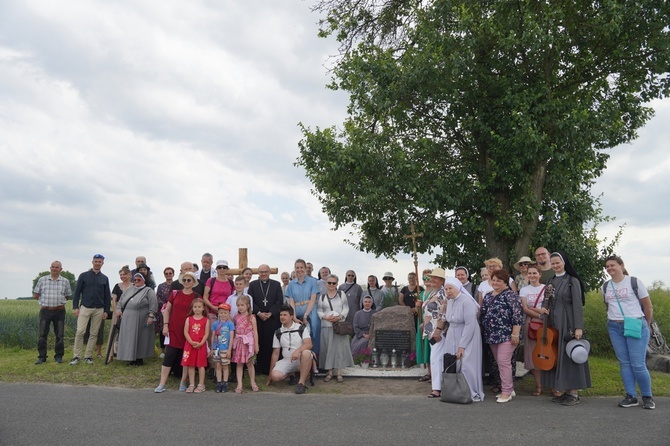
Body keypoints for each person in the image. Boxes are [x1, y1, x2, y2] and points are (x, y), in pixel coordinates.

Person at [602, 254, 655, 409]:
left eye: (613, 265)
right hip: (614, 326)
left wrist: (645, 323)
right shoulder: (605, 286)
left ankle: (647, 396)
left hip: (635, 324)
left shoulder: (634, 282)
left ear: (621, 265)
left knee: (638, 364)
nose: (610, 268)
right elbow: (607, 305)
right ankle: (631, 396)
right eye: (607, 266)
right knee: (624, 363)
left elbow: (647, 306)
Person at [542, 251, 591, 406]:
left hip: (568, 322)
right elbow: (547, 301)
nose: (555, 265)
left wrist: (578, 327)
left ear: (564, 263)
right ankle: (564, 390)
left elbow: (577, 305)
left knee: (570, 356)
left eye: (558, 262)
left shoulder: (572, 280)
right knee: (557, 356)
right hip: (554, 323)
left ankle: (574, 393)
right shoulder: (550, 280)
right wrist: (544, 309)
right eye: (553, 263)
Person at [479, 269, 523, 403]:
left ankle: (507, 391)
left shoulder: (510, 295)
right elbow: (483, 314)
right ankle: (509, 388)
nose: (496, 282)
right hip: (492, 335)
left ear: (505, 282)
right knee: (500, 363)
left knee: (503, 362)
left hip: (507, 335)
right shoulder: (488, 296)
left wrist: (515, 334)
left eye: (499, 280)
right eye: (494, 280)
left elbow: (517, 316)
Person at [155, 271, 200, 393]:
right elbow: (167, 310)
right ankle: (162, 383)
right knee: (168, 356)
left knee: (186, 358)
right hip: (173, 330)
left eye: (189, 280)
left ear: (193, 282)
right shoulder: (175, 294)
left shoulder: (196, 297)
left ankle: (183, 381)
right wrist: (165, 325)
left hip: (188, 332)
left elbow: (199, 314)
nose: (186, 282)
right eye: (184, 280)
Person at [443, 277, 484, 402]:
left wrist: (462, 345)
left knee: (466, 364)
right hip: (452, 333)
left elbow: (470, 324)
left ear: (458, 288)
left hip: (468, 334)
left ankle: (470, 391)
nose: (448, 291)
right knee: (453, 362)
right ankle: (454, 391)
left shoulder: (467, 301)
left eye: (450, 288)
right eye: (446, 289)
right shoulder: (449, 301)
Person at [70, 254, 111, 365]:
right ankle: (76, 356)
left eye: (100, 261)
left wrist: (106, 311)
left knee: (94, 333)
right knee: (80, 331)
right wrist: (75, 307)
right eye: (96, 261)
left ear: (103, 263)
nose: (97, 263)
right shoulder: (84, 276)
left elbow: (107, 296)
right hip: (85, 307)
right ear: (92, 262)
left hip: (99, 309)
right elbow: (77, 292)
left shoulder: (104, 278)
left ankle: (88, 356)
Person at [266, 305, 314, 394]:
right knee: (275, 376)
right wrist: (270, 375)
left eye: (285, 315)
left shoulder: (301, 328)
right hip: (288, 360)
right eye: (281, 315)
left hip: (301, 358)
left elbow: (309, 344)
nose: (282, 317)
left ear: (291, 316)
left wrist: (297, 351)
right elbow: (275, 353)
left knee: (306, 353)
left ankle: (301, 383)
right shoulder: (278, 332)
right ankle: (292, 374)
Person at [33, 260, 72, 364]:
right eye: (52, 267)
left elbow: (68, 295)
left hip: (59, 311)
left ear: (61, 269)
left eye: (56, 267)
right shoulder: (42, 280)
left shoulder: (65, 281)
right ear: (50, 268)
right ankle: (42, 357)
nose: (54, 269)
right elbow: (36, 294)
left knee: (59, 335)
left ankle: (58, 356)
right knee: (42, 334)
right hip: (45, 311)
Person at [317, 274, 354, 383]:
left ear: (337, 284)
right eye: (329, 283)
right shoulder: (322, 297)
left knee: (339, 350)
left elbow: (346, 308)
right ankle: (329, 373)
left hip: (339, 326)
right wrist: (326, 317)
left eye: (334, 283)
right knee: (328, 349)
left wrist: (339, 317)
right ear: (326, 283)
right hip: (326, 325)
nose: (331, 285)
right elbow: (319, 310)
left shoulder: (341, 294)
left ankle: (339, 373)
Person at [248, 264, 283, 375]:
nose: (263, 274)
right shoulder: (253, 285)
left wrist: (271, 313)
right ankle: (258, 368)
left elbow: (279, 301)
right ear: (258, 273)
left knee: (271, 342)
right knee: (259, 342)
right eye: (261, 272)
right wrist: (258, 313)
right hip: (258, 318)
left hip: (272, 319)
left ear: (269, 272)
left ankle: (270, 367)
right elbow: (250, 301)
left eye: (265, 272)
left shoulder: (276, 284)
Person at [116, 273, 157, 366]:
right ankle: (128, 356)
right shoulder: (129, 290)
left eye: (139, 279)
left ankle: (139, 358)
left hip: (141, 317)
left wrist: (151, 316)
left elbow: (153, 305)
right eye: (135, 280)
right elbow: (120, 302)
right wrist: (118, 310)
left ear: (143, 280)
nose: (136, 281)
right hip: (127, 318)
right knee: (128, 338)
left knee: (140, 338)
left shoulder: (148, 291)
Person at [519, 264, 548, 396]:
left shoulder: (546, 289)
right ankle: (538, 385)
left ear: (539, 274)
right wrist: (539, 314)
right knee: (534, 355)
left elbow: (550, 307)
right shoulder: (524, 290)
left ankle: (552, 386)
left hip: (547, 325)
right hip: (531, 324)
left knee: (548, 353)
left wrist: (537, 312)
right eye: (529, 273)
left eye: (534, 273)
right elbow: (525, 308)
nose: (532, 275)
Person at [286, 258, 320, 355]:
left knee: (315, 326)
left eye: (301, 267)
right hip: (296, 309)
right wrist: (294, 316)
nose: (299, 269)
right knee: (294, 329)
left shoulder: (312, 282)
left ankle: (315, 356)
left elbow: (313, 299)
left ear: (305, 268)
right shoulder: (291, 284)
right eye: (297, 267)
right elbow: (291, 301)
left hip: (310, 308)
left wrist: (306, 315)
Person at [425, 268, 448, 398]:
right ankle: (438, 386)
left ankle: (437, 388)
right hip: (430, 330)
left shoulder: (442, 293)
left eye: (436, 278)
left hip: (438, 332)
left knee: (435, 359)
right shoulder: (433, 292)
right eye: (432, 277)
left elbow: (443, 314)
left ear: (442, 280)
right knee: (435, 359)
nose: (432, 280)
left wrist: (438, 330)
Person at [181, 298, 210, 393]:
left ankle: (201, 384)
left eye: (199, 307)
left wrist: (201, 343)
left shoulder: (206, 320)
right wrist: (190, 341)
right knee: (191, 365)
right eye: (195, 307)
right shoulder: (188, 319)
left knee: (201, 365)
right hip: (190, 345)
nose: (197, 309)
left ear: (203, 308)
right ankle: (192, 384)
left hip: (201, 345)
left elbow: (206, 333)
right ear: (192, 308)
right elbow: (185, 331)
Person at [231, 295, 259, 393]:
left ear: (247, 305)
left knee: (250, 363)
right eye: (238, 305)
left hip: (249, 343)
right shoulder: (235, 317)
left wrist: (256, 345)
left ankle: (253, 382)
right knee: (239, 364)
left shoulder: (252, 317)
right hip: (239, 343)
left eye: (242, 305)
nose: (240, 307)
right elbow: (234, 331)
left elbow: (255, 332)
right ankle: (239, 384)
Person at [210, 303, 235, 393]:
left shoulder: (230, 324)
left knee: (225, 366)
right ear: (218, 313)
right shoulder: (216, 324)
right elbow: (212, 336)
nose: (223, 315)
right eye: (221, 312)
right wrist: (212, 348)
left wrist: (229, 349)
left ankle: (225, 382)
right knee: (218, 365)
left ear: (228, 314)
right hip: (217, 348)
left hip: (225, 348)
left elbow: (232, 337)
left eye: (225, 313)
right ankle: (219, 382)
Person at [416, 268, 433, 382]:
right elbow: (419, 311)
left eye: (428, 277)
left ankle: (434, 373)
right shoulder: (421, 293)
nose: (426, 280)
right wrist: (418, 306)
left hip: (430, 322)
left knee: (431, 347)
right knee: (424, 346)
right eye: (424, 278)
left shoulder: (434, 293)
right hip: (421, 321)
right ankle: (428, 372)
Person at [155, 266, 175, 357]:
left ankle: (171, 349)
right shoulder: (160, 286)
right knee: (162, 330)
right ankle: (163, 351)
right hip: (162, 311)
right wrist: (164, 305)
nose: (168, 275)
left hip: (174, 311)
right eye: (166, 273)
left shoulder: (176, 285)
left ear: (173, 274)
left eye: (170, 273)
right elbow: (157, 297)